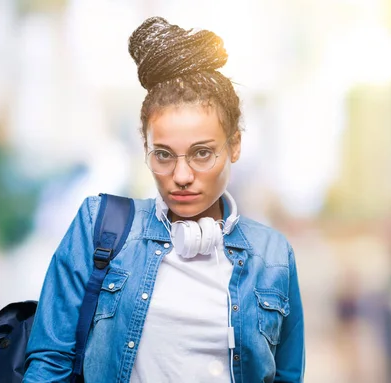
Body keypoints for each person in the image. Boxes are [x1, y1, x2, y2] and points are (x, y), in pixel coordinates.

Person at [23, 16, 305, 383]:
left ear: (234, 145)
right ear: (145, 147)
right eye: (164, 154)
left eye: (202, 153)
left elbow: (287, 376)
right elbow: (49, 361)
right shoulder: (100, 226)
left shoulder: (273, 255)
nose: (182, 176)